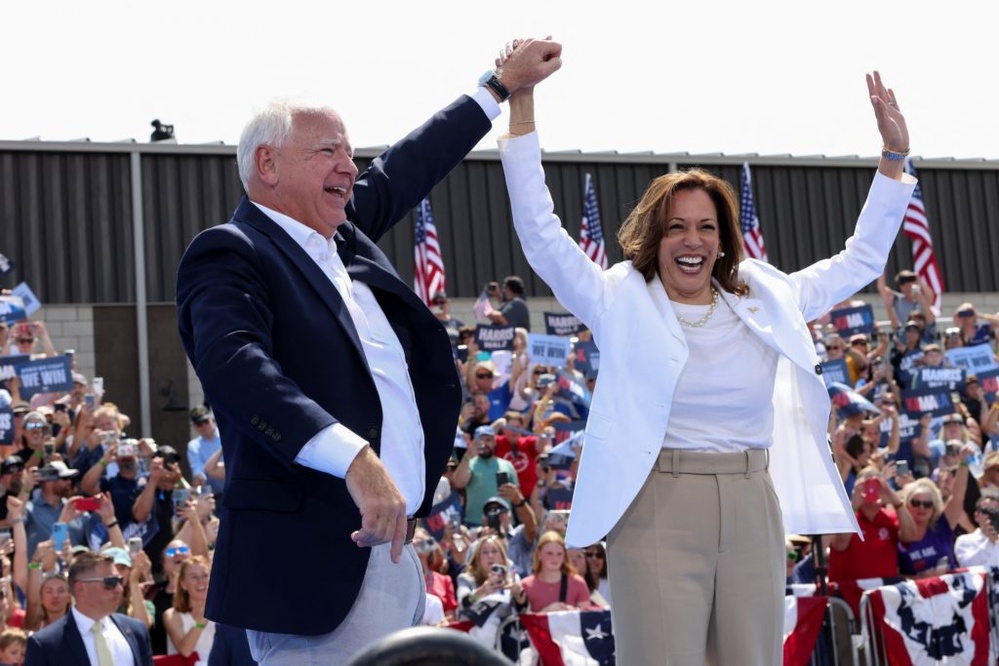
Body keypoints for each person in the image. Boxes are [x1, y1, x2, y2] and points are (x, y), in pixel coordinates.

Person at [497, 61, 914, 664]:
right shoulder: (616, 298)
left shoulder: (766, 296)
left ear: (722, 238)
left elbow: (861, 259)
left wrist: (894, 157)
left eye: (706, 227)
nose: (692, 241)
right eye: (676, 229)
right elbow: (540, 233)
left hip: (752, 504)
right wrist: (523, 108)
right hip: (655, 509)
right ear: (653, 238)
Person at [174, 40, 562, 664]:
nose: (349, 167)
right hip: (315, 568)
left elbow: (411, 163)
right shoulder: (232, 252)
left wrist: (496, 86)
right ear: (267, 165)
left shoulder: (343, 238)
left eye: (350, 152)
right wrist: (355, 457)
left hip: (395, 557)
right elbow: (236, 365)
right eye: (327, 151)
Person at [24, 551, 153, 665]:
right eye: (110, 582)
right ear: (80, 588)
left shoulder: (136, 631)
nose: (119, 589)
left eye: (119, 581)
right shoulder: (45, 644)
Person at [187, 406, 224, 499]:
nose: (204, 426)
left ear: (212, 419)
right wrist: (199, 477)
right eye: (199, 424)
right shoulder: (193, 446)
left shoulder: (226, 436)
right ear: (194, 427)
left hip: (236, 491)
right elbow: (198, 469)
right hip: (214, 498)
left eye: (206, 421)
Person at [954, 492, 999, 567]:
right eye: (986, 511)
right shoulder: (964, 541)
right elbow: (967, 565)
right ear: (976, 516)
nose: (990, 516)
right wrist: (990, 542)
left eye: (995, 512)